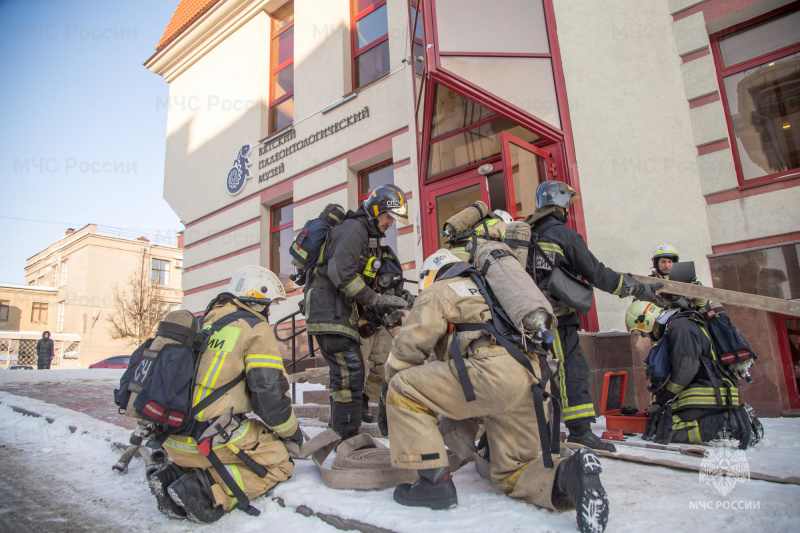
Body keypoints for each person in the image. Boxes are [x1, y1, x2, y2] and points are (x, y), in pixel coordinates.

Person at [382, 249, 609, 533]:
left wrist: (388, 392)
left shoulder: (441, 288)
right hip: (533, 378)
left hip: (492, 373)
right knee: (513, 470)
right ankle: (569, 475)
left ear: (430, 275)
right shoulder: (495, 289)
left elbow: (410, 346)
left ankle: (433, 484)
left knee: (404, 387)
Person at [147, 266, 301, 523]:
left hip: (171, 437)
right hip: (207, 441)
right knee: (280, 462)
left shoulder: (202, 323)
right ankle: (205, 489)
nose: (270, 311)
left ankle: (172, 476)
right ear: (259, 301)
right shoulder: (255, 328)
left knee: (222, 444)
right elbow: (269, 396)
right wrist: (291, 433)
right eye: (269, 304)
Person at [526, 180, 664, 452]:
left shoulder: (527, 235)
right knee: (572, 370)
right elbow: (598, 274)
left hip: (526, 319)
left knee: (534, 374)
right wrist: (635, 289)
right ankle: (580, 431)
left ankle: (531, 430)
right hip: (558, 320)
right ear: (562, 204)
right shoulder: (565, 236)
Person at [304, 184, 410, 440]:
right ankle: (345, 436)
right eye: (388, 217)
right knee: (350, 370)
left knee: (351, 372)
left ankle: (344, 432)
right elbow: (342, 274)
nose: (390, 224)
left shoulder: (367, 235)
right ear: (377, 210)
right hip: (330, 311)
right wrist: (374, 299)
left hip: (338, 311)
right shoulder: (354, 229)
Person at [625, 300, 763, 448]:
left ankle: (731, 423)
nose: (645, 336)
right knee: (663, 421)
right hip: (712, 392)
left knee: (668, 428)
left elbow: (686, 369)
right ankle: (738, 419)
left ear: (645, 322)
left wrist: (666, 398)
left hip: (706, 394)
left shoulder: (680, 327)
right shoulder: (679, 324)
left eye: (641, 332)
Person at [358, 246, 415, 422]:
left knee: (384, 367)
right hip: (360, 324)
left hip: (380, 326)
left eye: (390, 279)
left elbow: (393, 292)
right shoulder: (361, 273)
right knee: (356, 367)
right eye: (383, 279)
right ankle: (353, 406)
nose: (386, 282)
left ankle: (366, 400)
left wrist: (403, 296)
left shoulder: (390, 279)